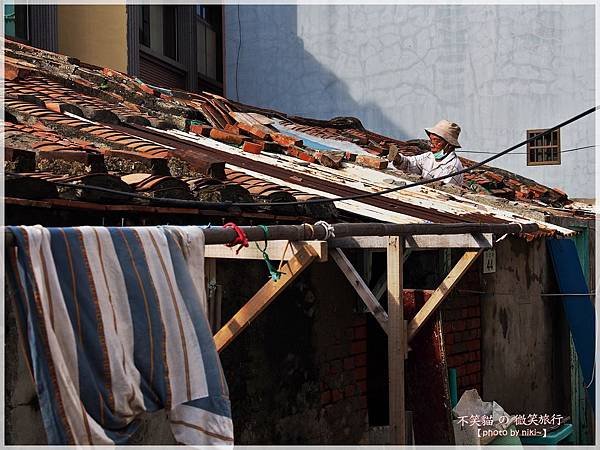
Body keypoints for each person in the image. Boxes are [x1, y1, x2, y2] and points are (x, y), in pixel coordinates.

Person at [392, 120, 464, 186]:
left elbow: (443, 190)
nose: (431, 144)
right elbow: (409, 163)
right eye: (431, 140)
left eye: (437, 141)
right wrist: (397, 158)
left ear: (449, 145)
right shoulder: (430, 156)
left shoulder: (452, 168)